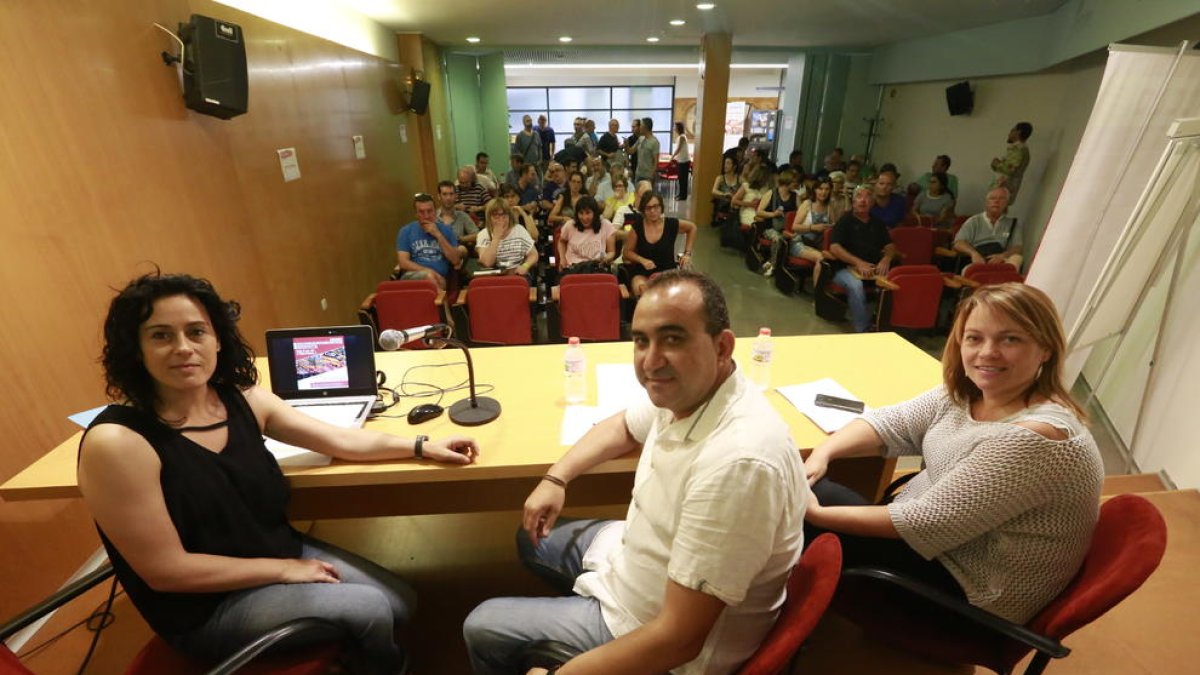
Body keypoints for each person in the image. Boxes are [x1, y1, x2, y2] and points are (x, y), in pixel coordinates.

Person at [77, 272, 479, 673]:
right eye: (161, 335)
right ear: (137, 349)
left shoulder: (242, 400)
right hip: (206, 606)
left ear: (217, 338)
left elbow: (342, 441)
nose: (183, 348)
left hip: (273, 552)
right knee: (372, 610)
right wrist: (285, 570)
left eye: (196, 331)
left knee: (401, 603)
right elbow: (167, 572)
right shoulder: (119, 442)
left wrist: (422, 445)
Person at [463, 270, 805, 675]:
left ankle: (574, 641)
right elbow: (624, 425)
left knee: (481, 626)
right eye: (641, 340)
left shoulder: (737, 465)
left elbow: (678, 639)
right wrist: (556, 478)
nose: (651, 361)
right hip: (638, 559)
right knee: (530, 536)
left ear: (722, 346)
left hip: (659, 633)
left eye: (673, 338)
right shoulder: (691, 389)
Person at [803, 282, 1103, 624]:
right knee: (801, 490)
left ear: (1046, 348)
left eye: (1010, 339)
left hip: (972, 591)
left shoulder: (1036, 437)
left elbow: (925, 522)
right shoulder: (968, 393)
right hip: (943, 545)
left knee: (789, 508)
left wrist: (815, 514)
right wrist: (822, 454)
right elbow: (893, 422)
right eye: (974, 338)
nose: (987, 352)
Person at [828, 186, 896, 332]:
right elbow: (834, 247)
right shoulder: (845, 220)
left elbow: (890, 245)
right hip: (845, 269)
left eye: (867, 197)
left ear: (872, 203)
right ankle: (862, 328)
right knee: (856, 285)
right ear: (853, 202)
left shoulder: (878, 223)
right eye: (859, 197)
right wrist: (858, 263)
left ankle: (887, 324)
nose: (863, 201)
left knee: (896, 282)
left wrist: (886, 259)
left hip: (874, 269)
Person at [622, 191, 697, 298]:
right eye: (648, 208)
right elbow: (627, 252)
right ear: (643, 210)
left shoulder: (671, 224)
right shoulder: (637, 227)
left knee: (668, 294)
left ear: (661, 207)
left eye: (656, 206)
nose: (653, 211)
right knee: (641, 289)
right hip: (643, 272)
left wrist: (687, 253)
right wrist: (642, 260)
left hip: (667, 272)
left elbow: (692, 228)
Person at [394, 193, 461, 291]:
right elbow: (403, 262)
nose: (426, 216)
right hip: (413, 277)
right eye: (421, 212)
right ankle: (443, 305)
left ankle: (439, 303)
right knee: (430, 277)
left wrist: (438, 235)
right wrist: (428, 272)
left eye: (430, 211)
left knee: (434, 280)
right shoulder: (406, 231)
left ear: (435, 211)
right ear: (416, 214)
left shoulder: (446, 230)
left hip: (441, 278)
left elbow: (455, 260)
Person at [955, 186, 1024, 268]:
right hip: (978, 258)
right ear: (986, 202)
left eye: (1001, 198)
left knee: (1017, 258)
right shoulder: (974, 221)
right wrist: (974, 254)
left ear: (1007, 203)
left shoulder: (1013, 223)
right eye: (992, 198)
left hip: (1002, 259)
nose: (996, 201)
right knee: (969, 270)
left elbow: (1018, 248)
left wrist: (1002, 256)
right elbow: (958, 243)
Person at [477, 198, 538, 283]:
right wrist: (496, 238)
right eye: (496, 215)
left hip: (517, 276)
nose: (501, 219)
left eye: (504, 215)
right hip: (493, 278)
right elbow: (487, 263)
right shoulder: (483, 234)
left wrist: (525, 266)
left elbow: (534, 255)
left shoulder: (519, 230)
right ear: (489, 217)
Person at [790, 178, 836, 287]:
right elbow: (794, 227)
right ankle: (818, 296)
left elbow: (834, 227)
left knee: (834, 259)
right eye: (820, 189)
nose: (823, 192)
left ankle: (827, 291)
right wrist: (812, 228)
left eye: (827, 189)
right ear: (815, 190)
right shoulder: (807, 204)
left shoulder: (829, 207)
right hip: (800, 242)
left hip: (818, 245)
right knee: (821, 259)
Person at [755, 169, 801, 277]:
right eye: (794, 181)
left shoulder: (795, 196)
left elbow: (800, 214)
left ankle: (771, 262)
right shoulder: (772, 193)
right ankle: (774, 266)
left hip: (787, 228)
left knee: (791, 238)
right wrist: (773, 214)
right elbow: (759, 211)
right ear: (787, 181)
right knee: (777, 238)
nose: (796, 184)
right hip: (770, 227)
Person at [557, 196, 616, 276]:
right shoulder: (570, 225)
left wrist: (605, 259)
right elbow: (561, 242)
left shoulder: (606, 225)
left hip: (596, 269)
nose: (584, 217)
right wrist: (562, 259)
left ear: (595, 213)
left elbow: (611, 252)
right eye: (581, 213)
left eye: (588, 213)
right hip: (573, 269)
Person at [991, 122, 1032, 203]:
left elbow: (1011, 169)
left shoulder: (1018, 149)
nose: (1009, 133)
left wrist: (997, 164)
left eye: (1012, 130)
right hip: (1005, 189)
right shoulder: (1020, 149)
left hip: (1003, 188)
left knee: (996, 210)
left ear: (1018, 132)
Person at [633, 117, 660, 185]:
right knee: (637, 194)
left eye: (641, 125)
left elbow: (656, 161)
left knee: (647, 195)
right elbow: (631, 151)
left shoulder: (654, 142)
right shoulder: (640, 138)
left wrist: (652, 176)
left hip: (648, 176)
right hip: (638, 174)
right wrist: (626, 144)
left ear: (646, 127)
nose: (639, 128)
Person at [670, 121, 691, 201]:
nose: (674, 128)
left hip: (684, 161)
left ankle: (683, 196)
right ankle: (680, 194)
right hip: (681, 160)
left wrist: (672, 156)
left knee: (683, 179)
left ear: (678, 128)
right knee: (680, 178)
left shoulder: (682, 137)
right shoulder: (680, 137)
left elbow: (678, 149)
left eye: (675, 127)